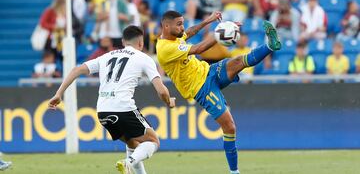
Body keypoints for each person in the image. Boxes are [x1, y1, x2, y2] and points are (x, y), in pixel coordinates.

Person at [156, 10, 281, 174]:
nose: (183, 27)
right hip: (201, 88)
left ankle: (270, 46)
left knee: (238, 61)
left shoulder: (174, 36)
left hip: (208, 71)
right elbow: (199, 48)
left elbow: (190, 32)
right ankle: (234, 171)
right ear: (166, 26)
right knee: (229, 127)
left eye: (182, 23)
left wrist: (208, 20)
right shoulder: (165, 48)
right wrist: (222, 32)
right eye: (179, 24)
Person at [48, 26, 176, 174]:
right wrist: (169, 101)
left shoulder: (107, 56)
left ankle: (131, 162)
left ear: (123, 41)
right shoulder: (144, 58)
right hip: (123, 108)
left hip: (102, 111)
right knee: (153, 141)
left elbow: (77, 70)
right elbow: (161, 90)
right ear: (141, 43)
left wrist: (58, 94)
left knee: (133, 143)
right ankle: (128, 162)